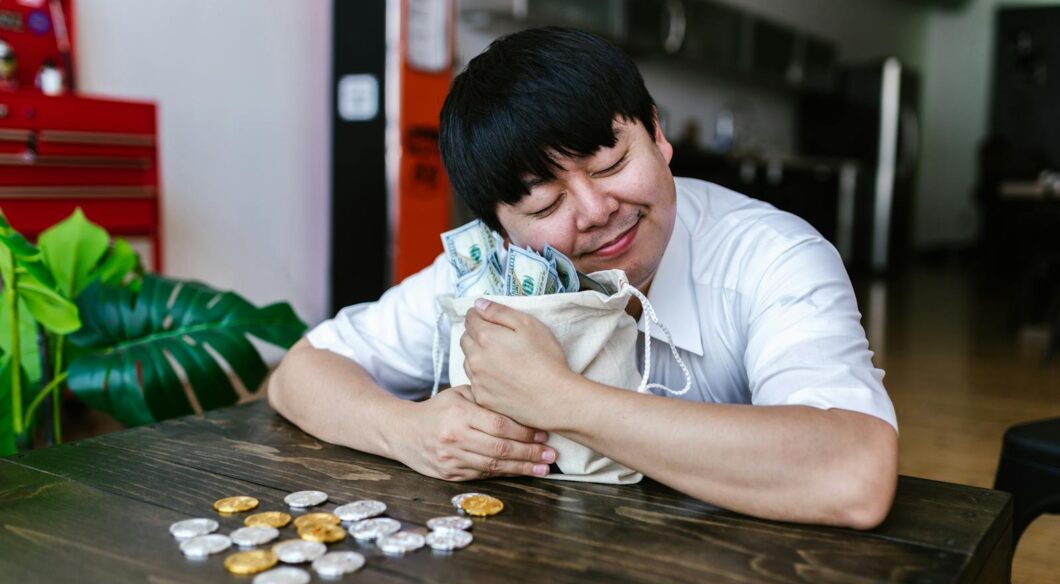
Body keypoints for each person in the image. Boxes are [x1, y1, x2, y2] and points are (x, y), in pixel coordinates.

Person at [270, 27, 898, 529]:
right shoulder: (496, 275)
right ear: (501, 229)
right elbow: (300, 373)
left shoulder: (772, 256)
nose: (597, 211)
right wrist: (409, 432)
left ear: (657, 134)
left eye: (611, 162)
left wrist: (556, 399)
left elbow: (853, 475)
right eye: (545, 205)